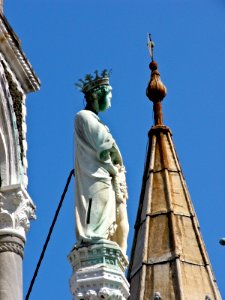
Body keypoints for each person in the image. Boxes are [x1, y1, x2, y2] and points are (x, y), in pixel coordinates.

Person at [74, 70, 129, 254]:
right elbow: (102, 144)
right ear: (99, 95)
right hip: (95, 175)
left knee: (110, 216)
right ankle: (93, 240)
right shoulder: (84, 117)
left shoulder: (93, 119)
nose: (111, 98)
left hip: (104, 175)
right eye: (109, 94)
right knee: (96, 214)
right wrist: (112, 164)